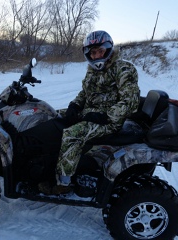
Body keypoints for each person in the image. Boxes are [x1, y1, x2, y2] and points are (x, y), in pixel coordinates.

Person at [39, 30, 140, 195]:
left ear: (108, 49)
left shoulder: (123, 69)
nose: (97, 55)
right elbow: (85, 94)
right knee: (51, 116)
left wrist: (106, 116)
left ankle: (63, 183)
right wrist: (75, 105)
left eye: (100, 51)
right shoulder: (93, 71)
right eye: (93, 52)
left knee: (73, 134)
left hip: (110, 121)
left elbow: (131, 101)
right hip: (90, 113)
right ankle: (47, 163)